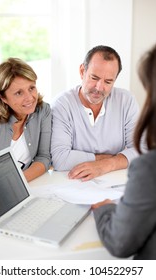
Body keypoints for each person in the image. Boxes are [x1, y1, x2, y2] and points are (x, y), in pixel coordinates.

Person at [92, 44, 156, 260]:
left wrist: (104, 209)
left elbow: (120, 243)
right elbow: (61, 156)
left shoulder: (149, 168)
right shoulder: (64, 102)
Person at [51, 45, 139, 181]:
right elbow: (59, 159)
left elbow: (142, 150)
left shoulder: (126, 100)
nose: (99, 88)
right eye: (94, 78)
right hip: (75, 182)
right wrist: (114, 158)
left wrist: (105, 165)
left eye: (108, 81)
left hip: (116, 180)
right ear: (82, 71)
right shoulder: (62, 104)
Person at [0, 58, 51, 182]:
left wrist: (18, 184)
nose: (30, 98)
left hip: (26, 188)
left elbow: (44, 157)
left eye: (31, 88)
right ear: (2, 97)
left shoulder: (43, 111)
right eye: (19, 93)